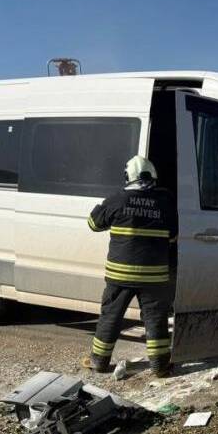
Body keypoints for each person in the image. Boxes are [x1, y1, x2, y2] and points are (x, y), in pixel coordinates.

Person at [80, 156, 178, 376]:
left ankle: (99, 362)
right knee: (156, 319)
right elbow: (173, 236)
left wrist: (105, 205)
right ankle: (160, 365)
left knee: (110, 317)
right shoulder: (166, 201)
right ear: (153, 176)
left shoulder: (118, 199)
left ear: (128, 177)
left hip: (120, 275)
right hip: (155, 276)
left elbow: (93, 224)